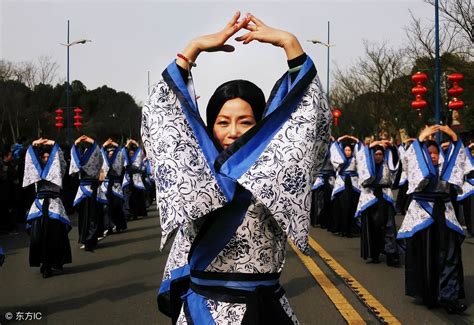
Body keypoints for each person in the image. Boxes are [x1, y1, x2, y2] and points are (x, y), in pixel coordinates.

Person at [141, 12, 331, 324]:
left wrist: (290, 44)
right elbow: (161, 119)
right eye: (223, 122)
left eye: (246, 122)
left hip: (264, 310)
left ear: (262, 127)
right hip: (203, 309)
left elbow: (311, 123)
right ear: (208, 127)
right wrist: (194, 48)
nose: (233, 131)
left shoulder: (279, 171)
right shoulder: (192, 172)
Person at [397, 125, 467, 314]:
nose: (434, 156)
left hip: (445, 211)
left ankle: (449, 296)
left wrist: (453, 136)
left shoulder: (446, 168)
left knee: (450, 255)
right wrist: (420, 139)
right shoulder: (418, 165)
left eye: (436, 153)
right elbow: (409, 160)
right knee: (427, 256)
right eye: (429, 153)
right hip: (423, 212)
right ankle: (429, 293)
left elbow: (459, 158)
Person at [23, 138, 71, 278]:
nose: (45, 159)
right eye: (43, 157)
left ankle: (52, 263)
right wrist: (33, 144)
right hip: (39, 204)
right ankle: (43, 262)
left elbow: (61, 161)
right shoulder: (36, 172)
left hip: (54, 205)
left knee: (54, 236)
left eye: (48, 157)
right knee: (38, 237)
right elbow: (30, 159)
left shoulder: (57, 169)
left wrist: (53, 144)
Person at [355, 140, 400, 266]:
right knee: (372, 228)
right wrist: (371, 146)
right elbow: (361, 157)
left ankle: (391, 254)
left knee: (389, 227)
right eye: (376, 154)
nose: (378, 156)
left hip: (385, 197)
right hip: (370, 197)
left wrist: (392, 148)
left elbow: (396, 162)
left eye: (380, 154)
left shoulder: (387, 164)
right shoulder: (366, 164)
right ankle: (373, 254)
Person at [70, 135, 104, 251]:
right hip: (83, 187)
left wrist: (92, 142)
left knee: (92, 215)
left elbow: (99, 158)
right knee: (84, 215)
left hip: (92, 186)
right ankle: (86, 238)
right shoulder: (81, 156)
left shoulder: (95, 153)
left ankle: (90, 239)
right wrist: (76, 143)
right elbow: (75, 162)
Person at [328, 135, 361, 237]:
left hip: (353, 184)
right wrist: (342, 138)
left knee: (352, 207)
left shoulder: (355, 159)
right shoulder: (339, 160)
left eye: (349, 150)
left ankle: (352, 228)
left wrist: (353, 138)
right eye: (346, 150)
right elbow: (335, 147)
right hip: (342, 184)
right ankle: (342, 228)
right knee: (342, 208)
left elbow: (361, 150)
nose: (347, 152)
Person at [98, 138, 127, 234]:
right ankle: (108, 226)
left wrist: (116, 145)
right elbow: (100, 154)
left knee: (117, 206)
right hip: (106, 185)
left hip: (116, 185)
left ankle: (119, 225)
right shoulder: (104, 160)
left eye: (112, 154)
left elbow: (121, 154)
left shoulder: (118, 159)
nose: (110, 155)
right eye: (109, 154)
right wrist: (104, 145)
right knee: (106, 207)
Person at [310, 136, 335, 228]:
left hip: (331, 178)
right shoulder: (317, 150)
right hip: (319, 177)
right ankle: (316, 219)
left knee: (329, 200)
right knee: (317, 200)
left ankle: (328, 220)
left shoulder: (334, 151)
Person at [122, 139, 148, 220]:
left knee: (136, 197)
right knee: (128, 197)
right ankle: (128, 213)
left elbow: (140, 152)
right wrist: (127, 144)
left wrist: (136, 143)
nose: (131, 153)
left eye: (133, 152)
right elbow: (123, 152)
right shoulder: (125, 159)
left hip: (136, 178)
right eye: (130, 153)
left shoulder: (137, 159)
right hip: (127, 179)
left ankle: (136, 213)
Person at [457, 142, 474, 235]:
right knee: (468, 210)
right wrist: (468, 148)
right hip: (469, 188)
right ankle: (470, 229)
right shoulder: (468, 160)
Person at [395, 137, 415, 215]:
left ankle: (405, 208)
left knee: (409, 194)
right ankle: (399, 208)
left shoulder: (414, 151)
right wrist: (408, 140)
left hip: (411, 175)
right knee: (402, 193)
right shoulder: (402, 150)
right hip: (404, 175)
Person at [0, 146, 17, 232]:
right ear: (6, 156)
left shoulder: (10, 164)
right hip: (4, 192)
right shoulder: (3, 166)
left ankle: (10, 226)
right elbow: (3, 177)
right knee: (5, 210)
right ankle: (6, 228)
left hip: (10, 190)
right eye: (10, 155)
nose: (12, 156)